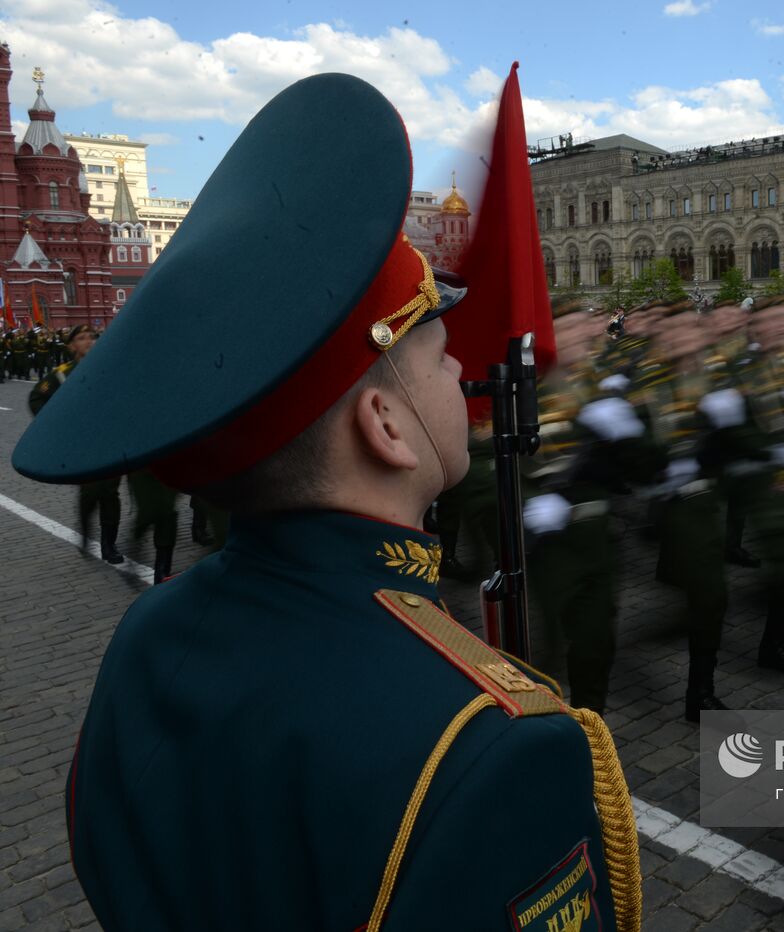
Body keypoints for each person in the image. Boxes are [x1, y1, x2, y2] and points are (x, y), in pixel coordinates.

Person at [15, 73, 640, 932]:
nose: (462, 371)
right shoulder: (488, 744)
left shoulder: (151, 633)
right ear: (384, 423)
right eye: (436, 353)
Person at [28, 323, 124, 563]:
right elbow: (37, 398)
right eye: (82, 338)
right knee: (90, 492)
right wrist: (57, 425)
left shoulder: (109, 369)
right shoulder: (62, 374)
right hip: (82, 444)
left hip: (109, 440)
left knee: (110, 493)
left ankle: (108, 545)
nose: (89, 341)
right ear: (72, 346)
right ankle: (85, 532)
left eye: (91, 337)